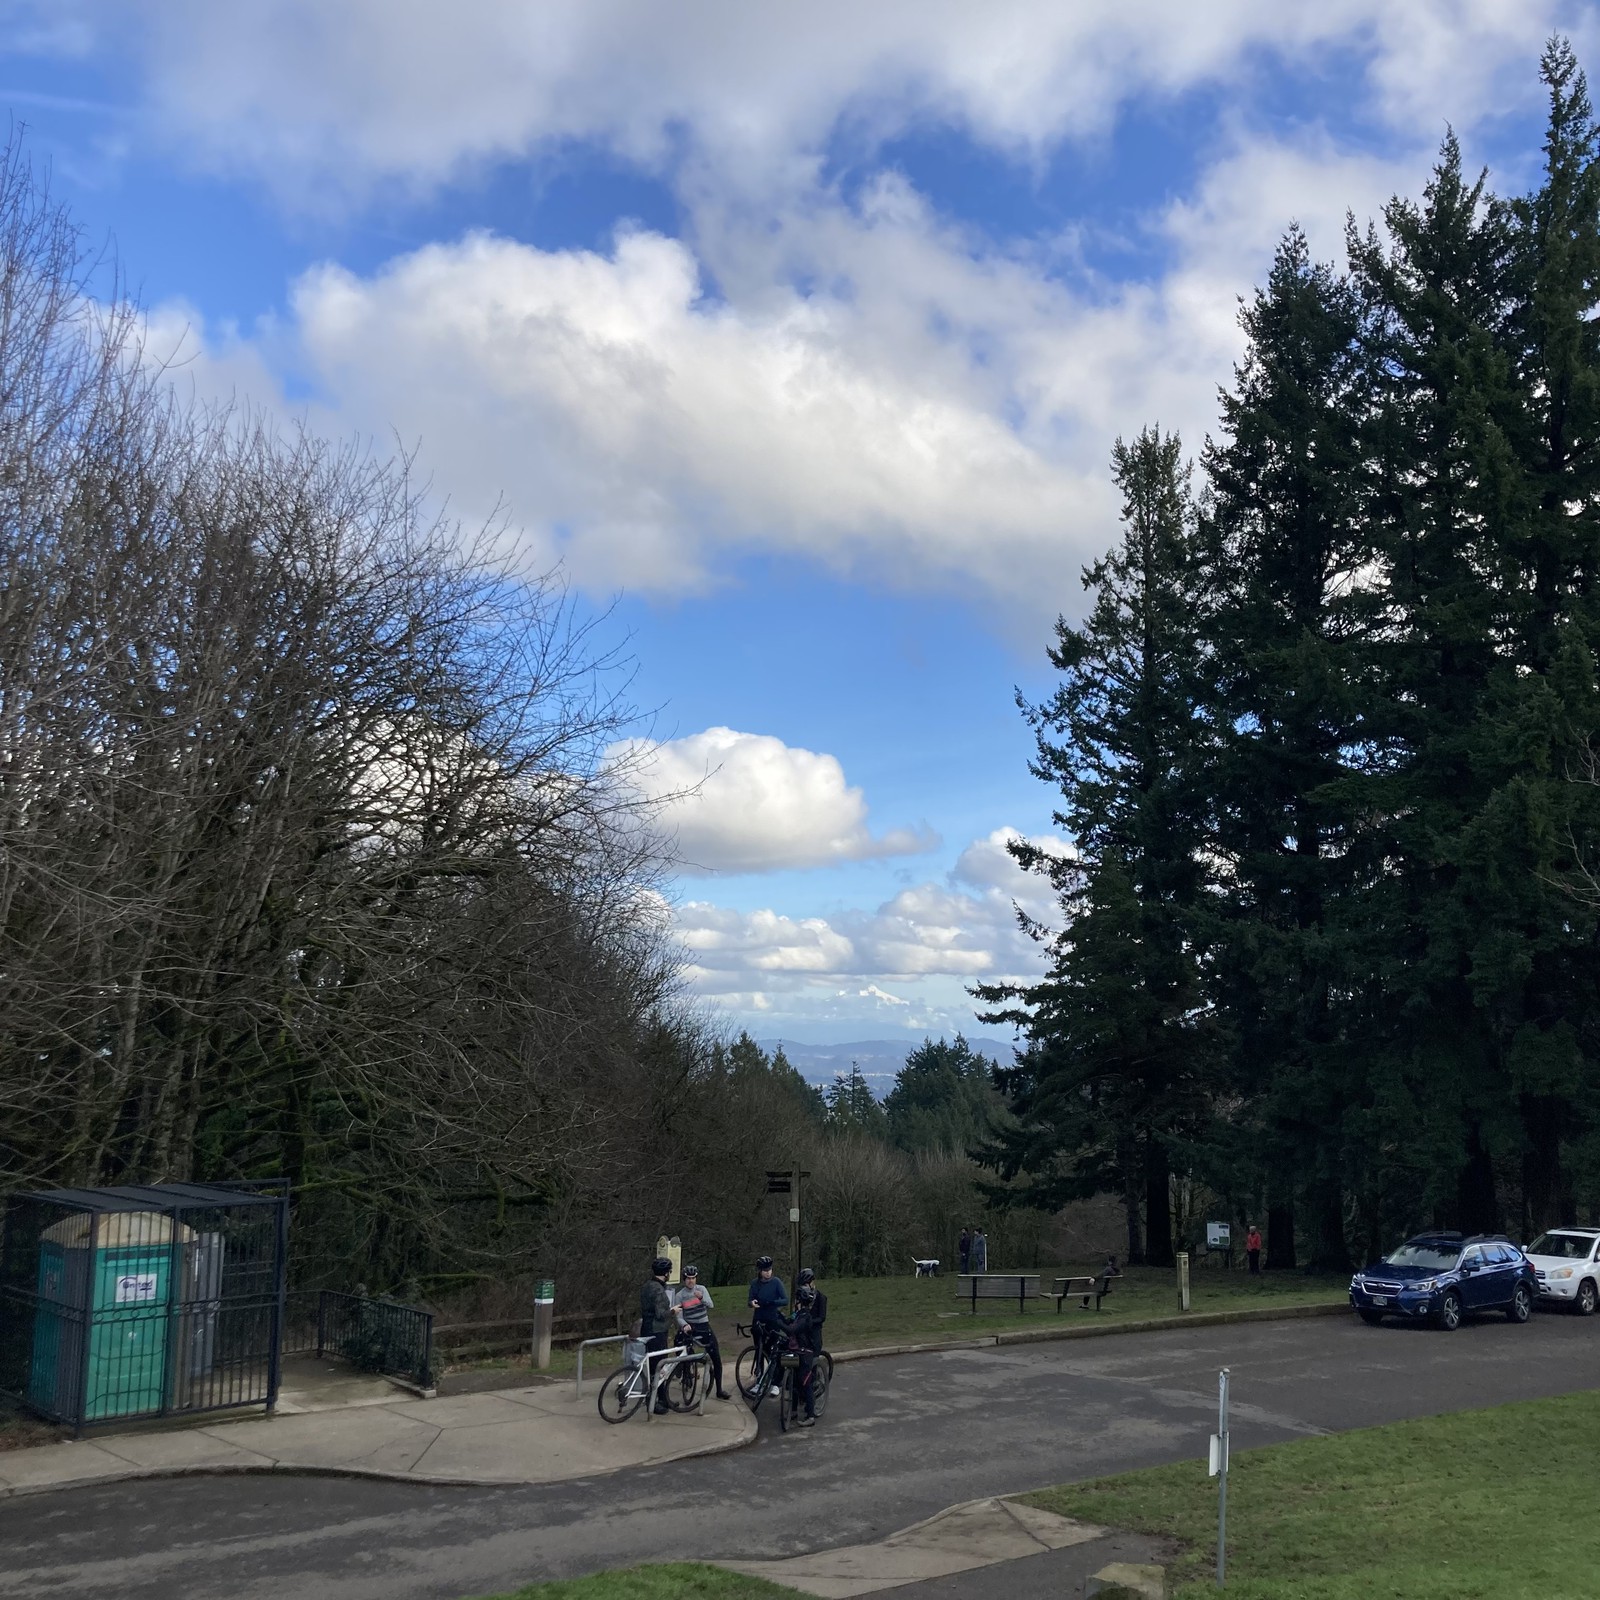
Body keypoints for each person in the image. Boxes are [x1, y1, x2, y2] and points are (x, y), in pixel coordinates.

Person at [674, 1264, 730, 1399]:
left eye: (693, 1278)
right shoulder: (680, 1295)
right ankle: (686, 1372)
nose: (691, 1281)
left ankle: (719, 1389)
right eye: (688, 1278)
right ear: (684, 1279)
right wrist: (684, 1325)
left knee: (716, 1356)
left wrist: (701, 1298)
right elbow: (678, 1317)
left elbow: (710, 1305)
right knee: (679, 1342)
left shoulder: (702, 1289)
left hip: (703, 1325)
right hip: (690, 1325)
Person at [639, 1255, 678, 1413]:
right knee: (659, 1367)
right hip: (658, 1331)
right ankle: (654, 1401)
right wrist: (673, 1311)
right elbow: (661, 1313)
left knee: (655, 1366)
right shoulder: (659, 1289)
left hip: (647, 1328)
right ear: (666, 1273)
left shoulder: (647, 1285)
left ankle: (663, 1398)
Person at [781, 1284, 823, 1425]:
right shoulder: (798, 1314)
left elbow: (792, 1329)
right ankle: (792, 1411)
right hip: (794, 1351)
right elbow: (789, 1321)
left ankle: (810, 1416)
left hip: (805, 1354)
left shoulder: (805, 1317)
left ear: (799, 1300)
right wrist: (777, 1316)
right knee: (791, 1381)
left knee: (804, 1383)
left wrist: (778, 1323)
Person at [748, 1254, 788, 1394]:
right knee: (759, 1350)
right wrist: (752, 1303)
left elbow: (785, 1300)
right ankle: (759, 1381)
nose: (768, 1272)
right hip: (759, 1319)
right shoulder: (755, 1283)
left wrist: (771, 1303)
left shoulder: (776, 1282)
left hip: (772, 1320)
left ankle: (776, 1383)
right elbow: (750, 1299)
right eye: (765, 1270)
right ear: (760, 1271)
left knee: (774, 1352)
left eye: (769, 1270)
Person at [796, 1266, 827, 1354]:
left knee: (813, 1358)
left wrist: (809, 1321)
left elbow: (822, 1318)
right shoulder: (800, 1297)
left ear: (812, 1283)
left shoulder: (821, 1297)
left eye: (805, 1285)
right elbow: (796, 1313)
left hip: (814, 1333)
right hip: (802, 1333)